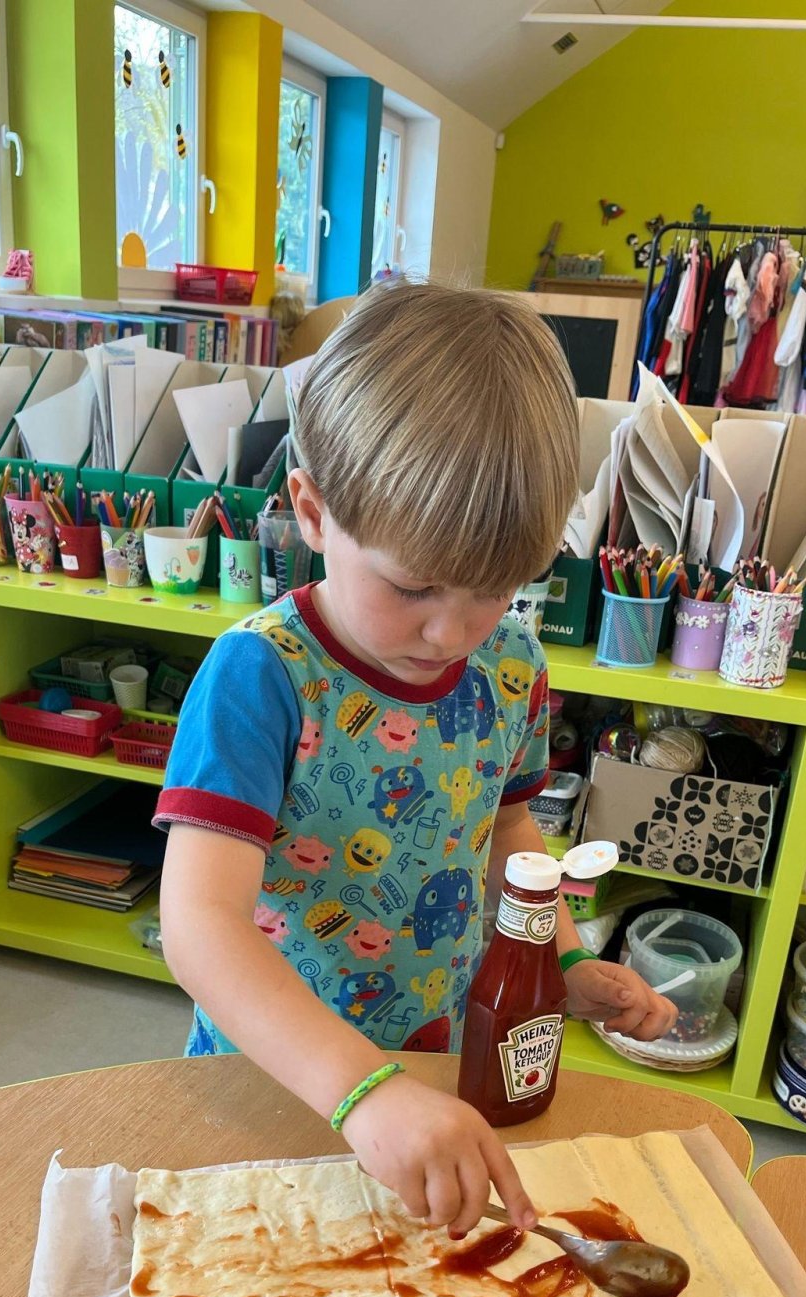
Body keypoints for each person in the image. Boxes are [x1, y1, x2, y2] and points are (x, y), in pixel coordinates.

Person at [157, 280, 676, 1237]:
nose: (452, 631)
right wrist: (363, 1091)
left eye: (495, 589)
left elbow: (507, 832)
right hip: (282, 1075)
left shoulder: (510, 663)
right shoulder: (261, 677)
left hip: (434, 1062)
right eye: (412, 587)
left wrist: (561, 958)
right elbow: (199, 924)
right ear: (313, 511)